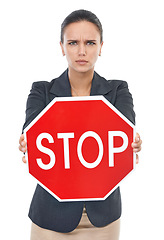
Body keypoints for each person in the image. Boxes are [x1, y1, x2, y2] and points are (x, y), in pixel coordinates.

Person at [19, 9, 142, 240]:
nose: (82, 51)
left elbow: (125, 132)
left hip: (103, 220)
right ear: (62, 46)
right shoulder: (41, 91)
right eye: (73, 42)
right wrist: (27, 143)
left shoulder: (118, 91)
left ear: (101, 47)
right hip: (50, 218)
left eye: (90, 42)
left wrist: (132, 143)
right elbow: (31, 132)